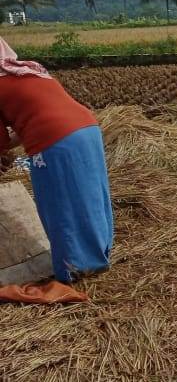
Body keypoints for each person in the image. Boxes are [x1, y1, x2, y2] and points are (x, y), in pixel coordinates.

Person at [0, 37, 114, 283]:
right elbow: (33, 116)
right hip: (87, 129)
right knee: (90, 195)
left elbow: (3, 141)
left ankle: (71, 269)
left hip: (54, 141)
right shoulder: (29, 71)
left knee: (58, 202)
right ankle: (97, 257)